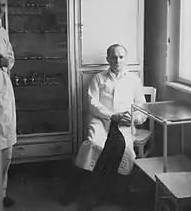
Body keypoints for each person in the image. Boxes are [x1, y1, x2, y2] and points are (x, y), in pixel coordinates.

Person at [61, 44, 146, 210]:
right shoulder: (99, 78)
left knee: (123, 150)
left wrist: (134, 119)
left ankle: (105, 192)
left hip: (124, 124)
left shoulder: (133, 80)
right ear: (108, 59)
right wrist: (110, 116)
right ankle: (75, 189)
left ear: (125, 59)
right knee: (94, 145)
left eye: (121, 57)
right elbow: (92, 103)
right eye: (113, 57)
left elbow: (142, 105)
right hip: (102, 120)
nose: (117, 60)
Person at [0, 0, 17, 207]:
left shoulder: (2, 31)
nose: (0, 10)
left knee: (6, 151)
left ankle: (1, 194)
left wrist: (1, 60)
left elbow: (10, 59)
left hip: (3, 89)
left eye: (3, 5)